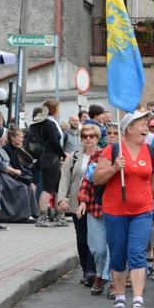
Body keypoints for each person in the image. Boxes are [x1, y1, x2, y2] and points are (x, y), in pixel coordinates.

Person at [93, 110, 154, 308]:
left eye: (146, 124)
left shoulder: (151, 151)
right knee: (118, 256)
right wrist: (115, 168)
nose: (146, 128)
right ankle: (120, 297)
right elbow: (97, 179)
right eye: (142, 124)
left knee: (136, 253)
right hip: (115, 211)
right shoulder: (112, 149)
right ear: (129, 128)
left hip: (142, 211)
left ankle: (138, 300)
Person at [57, 121, 102, 289]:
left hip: (96, 203)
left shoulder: (103, 155)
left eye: (91, 136)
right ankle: (86, 269)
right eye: (84, 136)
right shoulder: (75, 157)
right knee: (82, 238)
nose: (88, 139)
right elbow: (65, 178)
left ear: (97, 137)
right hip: (77, 202)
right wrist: (62, 198)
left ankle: (93, 270)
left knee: (95, 239)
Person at [75, 123, 111, 297]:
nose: (113, 136)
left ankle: (109, 281)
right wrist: (83, 201)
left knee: (114, 248)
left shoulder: (125, 155)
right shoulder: (97, 155)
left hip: (117, 210)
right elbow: (87, 180)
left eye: (115, 133)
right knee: (98, 249)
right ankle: (101, 273)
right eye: (109, 133)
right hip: (96, 208)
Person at [0, 126, 39, 224]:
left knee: (27, 186)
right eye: (4, 135)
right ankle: (20, 216)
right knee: (21, 187)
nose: (6, 137)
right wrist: (13, 171)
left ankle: (31, 213)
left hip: (6, 174)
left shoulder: (0, 148)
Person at [36, 98, 67, 228]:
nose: (59, 110)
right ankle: (42, 216)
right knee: (48, 187)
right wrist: (64, 154)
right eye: (58, 108)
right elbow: (55, 143)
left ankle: (58, 215)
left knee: (57, 187)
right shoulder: (49, 124)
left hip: (50, 158)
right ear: (54, 109)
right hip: (51, 158)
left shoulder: (46, 123)